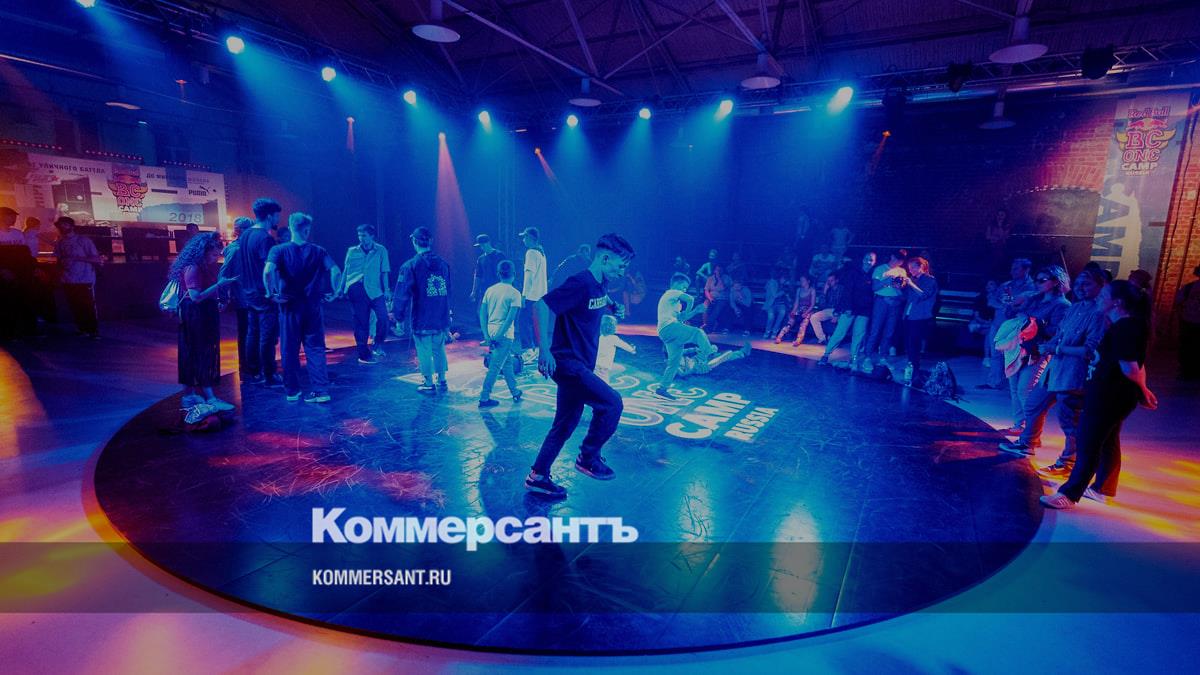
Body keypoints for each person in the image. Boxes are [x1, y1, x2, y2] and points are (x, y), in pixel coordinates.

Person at [526, 233, 635, 497]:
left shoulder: (600, 284)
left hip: (581, 363)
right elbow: (541, 306)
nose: (622, 272)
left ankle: (538, 476)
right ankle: (588, 457)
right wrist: (543, 350)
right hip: (568, 363)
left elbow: (600, 298)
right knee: (612, 403)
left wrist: (612, 307)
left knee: (565, 424)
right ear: (605, 259)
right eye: (620, 265)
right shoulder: (580, 283)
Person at [1041, 281, 1157, 509]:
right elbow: (1137, 364)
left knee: (1089, 443)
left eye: (1103, 295)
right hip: (1112, 394)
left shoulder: (1126, 327)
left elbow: (1131, 367)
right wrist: (1142, 389)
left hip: (1110, 396)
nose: (1099, 298)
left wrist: (1142, 390)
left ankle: (1069, 494)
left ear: (1117, 302)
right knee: (1107, 441)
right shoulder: (1128, 325)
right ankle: (1103, 488)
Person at [999, 268, 1106, 468]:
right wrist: (1047, 344)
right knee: (1033, 404)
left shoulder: (1098, 314)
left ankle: (1069, 462)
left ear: (1102, 286)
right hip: (1055, 367)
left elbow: (1090, 350)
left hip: (1074, 372)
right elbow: (1059, 334)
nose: (1081, 287)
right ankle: (1028, 442)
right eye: (1079, 283)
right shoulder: (1075, 307)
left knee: (1069, 420)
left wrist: (1053, 347)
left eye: (1087, 284)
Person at [263, 213, 339, 403]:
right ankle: (321, 391)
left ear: (290, 228)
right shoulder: (319, 251)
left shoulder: (278, 250)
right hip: (312, 307)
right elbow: (336, 271)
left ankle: (292, 391)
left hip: (289, 307)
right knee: (315, 348)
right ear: (307, 230)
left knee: (289, 349)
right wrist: (335, 292)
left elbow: (268, 272)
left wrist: (271, 293)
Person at [998, 266, 1071, 435]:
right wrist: (1010, 305)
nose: (1037, 283)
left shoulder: (1062, 305)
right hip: (1019, 347)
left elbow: (1057, 331)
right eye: (1037, 279)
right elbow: (1012, 315)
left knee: (1025, 390)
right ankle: (1019, 426)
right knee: (1015, 388)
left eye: (1042, 280)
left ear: (1056, 282)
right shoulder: (1034, 298)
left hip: (1037, 351)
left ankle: (1031, 433)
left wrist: (1033, 322)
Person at [654, 272, 749, 400]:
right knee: (697, 332)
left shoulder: (675, 303)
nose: (684, 290)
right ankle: (710, 353)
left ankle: (662, 388)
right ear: (676, 283)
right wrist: (689, 309)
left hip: (668, 332)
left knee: (674, 363)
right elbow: (690, 299)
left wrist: (696, 311)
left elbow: (681, 318)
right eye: (683, 287)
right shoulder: (671, 292)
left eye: (686, 288)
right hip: (669, 328)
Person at [172, 232, 238, 411]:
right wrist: (219, 285)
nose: (216, 258)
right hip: (196, 315)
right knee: (200, 353)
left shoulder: (200, 267)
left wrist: (217, 299)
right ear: (203, 252)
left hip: (201, 314)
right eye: (214, 254)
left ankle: (191, 395)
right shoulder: (193, 268)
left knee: (195, 353)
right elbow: (196, 297)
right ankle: (209, 397)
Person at [394, 226, 452, 393]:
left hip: (422, 317)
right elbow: (448, 291)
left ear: (414, 241)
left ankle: (428, 382)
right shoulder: (443, 264)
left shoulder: (410, 266)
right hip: (440, 315)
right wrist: (448, 314)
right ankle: (442, 379)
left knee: (424, 349)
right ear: (430, 241)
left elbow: (402, 294)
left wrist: (399, 317)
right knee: (439, 347)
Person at [236, 198, 284, 385]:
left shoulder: (246, 234)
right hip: (263, 293)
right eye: (277, 215)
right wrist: (273, 292)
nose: (278, 219)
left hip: (249, 293)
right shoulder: (265, 238)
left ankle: (254, 372)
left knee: (253, 333)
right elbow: (269, 269)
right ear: (270, 216)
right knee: (267, 336)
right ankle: (269, 375)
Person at [340, 224, 392, 364]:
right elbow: (346, 271)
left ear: (372, 236)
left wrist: (387, 290)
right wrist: (341, 288)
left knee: (383, 318)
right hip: (357, 289)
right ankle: (363, 354)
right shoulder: (352, 251)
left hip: (375, 290)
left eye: (364, 235)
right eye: (359, 235)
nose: (361, 238)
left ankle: (378, 344)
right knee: (361, 322)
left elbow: (384, 271)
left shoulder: (381, 250)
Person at [981, 258, 1035, 389]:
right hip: (998, 324)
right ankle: (994, 382)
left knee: (1013, 356)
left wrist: (1012, 307)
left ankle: (1014, 387)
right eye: (1012, 268)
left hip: (1015, 327)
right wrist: (1004, 306)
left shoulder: (1032, 287)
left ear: (1026, 270)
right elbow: (991, 301)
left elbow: (1027, 307)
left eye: (1016, 269)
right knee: (995, 354)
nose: (1012, 271)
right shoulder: (1006, 285)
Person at [478, 259, 524, 409]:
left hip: (491, 331)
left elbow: (482, 313)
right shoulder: (515, 293)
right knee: (496, 366)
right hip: (504, 334)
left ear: (498, 274)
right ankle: (484, 397)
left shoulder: (490, 290)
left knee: (507, 363)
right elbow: (510, 319)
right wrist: (499, 336)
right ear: (514, 274)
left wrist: (486, 335)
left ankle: (515, 391)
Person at [820, 252, 876, 367]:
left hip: (864, 310)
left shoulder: (873, 275)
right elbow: (847, 292)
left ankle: (853, 359)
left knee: (858, 335)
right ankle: (826, 355)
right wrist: (848, 307)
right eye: (866, 258)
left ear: (874, 262)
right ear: (863, 260)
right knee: (840, 332)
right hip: (850, 308)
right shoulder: (854, 273)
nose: (868, 261)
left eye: (871, 260)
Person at [52, 217, 104, 339]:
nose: (62, 227)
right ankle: (82, 329)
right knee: (75, 305)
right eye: (60, 225)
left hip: (84, 278)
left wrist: (76, 258)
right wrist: (59, 274)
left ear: (72, 226)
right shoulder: (60, 242)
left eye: (65, 224)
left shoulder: (83, 240)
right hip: (68, 279)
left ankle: (93, 330)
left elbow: (96, 259)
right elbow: (59, 260)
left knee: (88, 306)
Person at [860, 249, 908, 372]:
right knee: (875, 330)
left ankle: (883, 357)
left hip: (895, 303)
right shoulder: (880, 269)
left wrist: (899, 289)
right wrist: (886, 281)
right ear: (892, 257)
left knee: (889, 332)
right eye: (897, 259)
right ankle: (867, 357)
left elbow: (901, 289)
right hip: (881, 301)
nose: (899, 262)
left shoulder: (902, 271)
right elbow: (874, 287)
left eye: (901, 261)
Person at [219, 217, 254, 379]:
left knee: (251, 332)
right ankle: (246, 366)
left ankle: (250, 365)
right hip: (243, 299)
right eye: (249, 229)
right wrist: (223, 298)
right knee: (247, 332)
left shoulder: (245, 248)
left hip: (250, 298)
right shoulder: (236, 250)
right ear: (240, 230)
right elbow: (223, 274)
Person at [898, 256, 939, 383]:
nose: (911, 270)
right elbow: (906, 297)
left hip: (920, 316)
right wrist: (899, 287)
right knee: (909, 345)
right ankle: (911, 369)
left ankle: (915, 371)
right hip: (909, 315)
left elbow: (923, 295)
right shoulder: (913, 279)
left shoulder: (929, 280)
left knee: (914, 345)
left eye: (913, 267)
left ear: (921, 267)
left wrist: (910, 283)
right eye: (909, 268)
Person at [518, 227, 548, 362]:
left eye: (525, 237)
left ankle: (528, 350)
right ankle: (537, 349)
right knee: (536, 323)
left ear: (531, 238)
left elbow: (529, 276)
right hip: (541, 296)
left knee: (523, 322)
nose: (523, 240)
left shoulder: (531, 253)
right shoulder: (541, 252)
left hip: (531, 296)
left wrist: (524, 295)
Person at [1175, 264, 1200, 380]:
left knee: (1186, 347)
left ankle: (1186, 370)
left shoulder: (1189, 287)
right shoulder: (1189, 287)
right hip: (1189, 320)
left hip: (1189, 320)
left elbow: (1178, 302)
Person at [775, 274, 815, 344]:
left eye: (803, 281)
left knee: (803, 324)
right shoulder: (799, 290)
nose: (801, 282)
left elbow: (812, 305)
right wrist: (793, 311)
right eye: (800, 281)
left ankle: (798, 340)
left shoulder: (812, 290)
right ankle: (779, 337)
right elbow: (796, 303)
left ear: (808, 281)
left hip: (808, 310)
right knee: (790, 321)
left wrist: (806, 313)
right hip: (799, 309)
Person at [595, 315, 636, 383]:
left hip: (596, 365)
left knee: (620, 368)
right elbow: (624, 345)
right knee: (605, 386)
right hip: (603, 368)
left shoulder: (599, 337)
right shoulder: (613, 338)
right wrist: (632, 350)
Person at [807, 272, 843, 345]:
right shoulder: (828, 290)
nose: (829, 282)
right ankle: (822, 338)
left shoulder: (841, 289)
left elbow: (843, 303)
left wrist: (837, 314)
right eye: (828, 281)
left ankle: (835, 340)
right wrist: (824, 292)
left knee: (842, 321)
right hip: (828, 310)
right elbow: (822, 305)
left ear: (837, 280)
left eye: (831, 280)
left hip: (839, 311)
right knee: (814, 317)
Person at [470, 234, 506, 306]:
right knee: (482, 310)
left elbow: (506, 272)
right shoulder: (480, 258)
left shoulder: (499, 255)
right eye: (480, 246)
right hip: (484, 289)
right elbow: (477, 275)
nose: (482, 247)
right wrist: (474, 291)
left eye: (483, 245)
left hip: (498, 288)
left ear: (488, 243)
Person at [762, 268, 790, 339]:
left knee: (782, 312)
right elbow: (775, 295)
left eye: (785, 279)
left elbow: (787, 297)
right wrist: (783, 292)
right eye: (783, 278)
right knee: (771, 317)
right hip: (771, 304)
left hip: (781, 304)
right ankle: (767, 332)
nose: (784, 280)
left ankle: (774, 332)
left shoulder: (784, 285)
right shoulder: (772, 282)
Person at [703, 263, 731, 331]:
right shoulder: (710, 278)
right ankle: (705, 324)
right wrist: (710, 298)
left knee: (716, 311)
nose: (719, 271)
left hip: (722, 298)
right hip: (711, 297)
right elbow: (706, 290)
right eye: (717, 270)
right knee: (704, 308)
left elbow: (723, 288)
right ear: (714, 270)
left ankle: (708, 327)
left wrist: (719, 278)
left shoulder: (727, 278)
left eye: (720, 270)